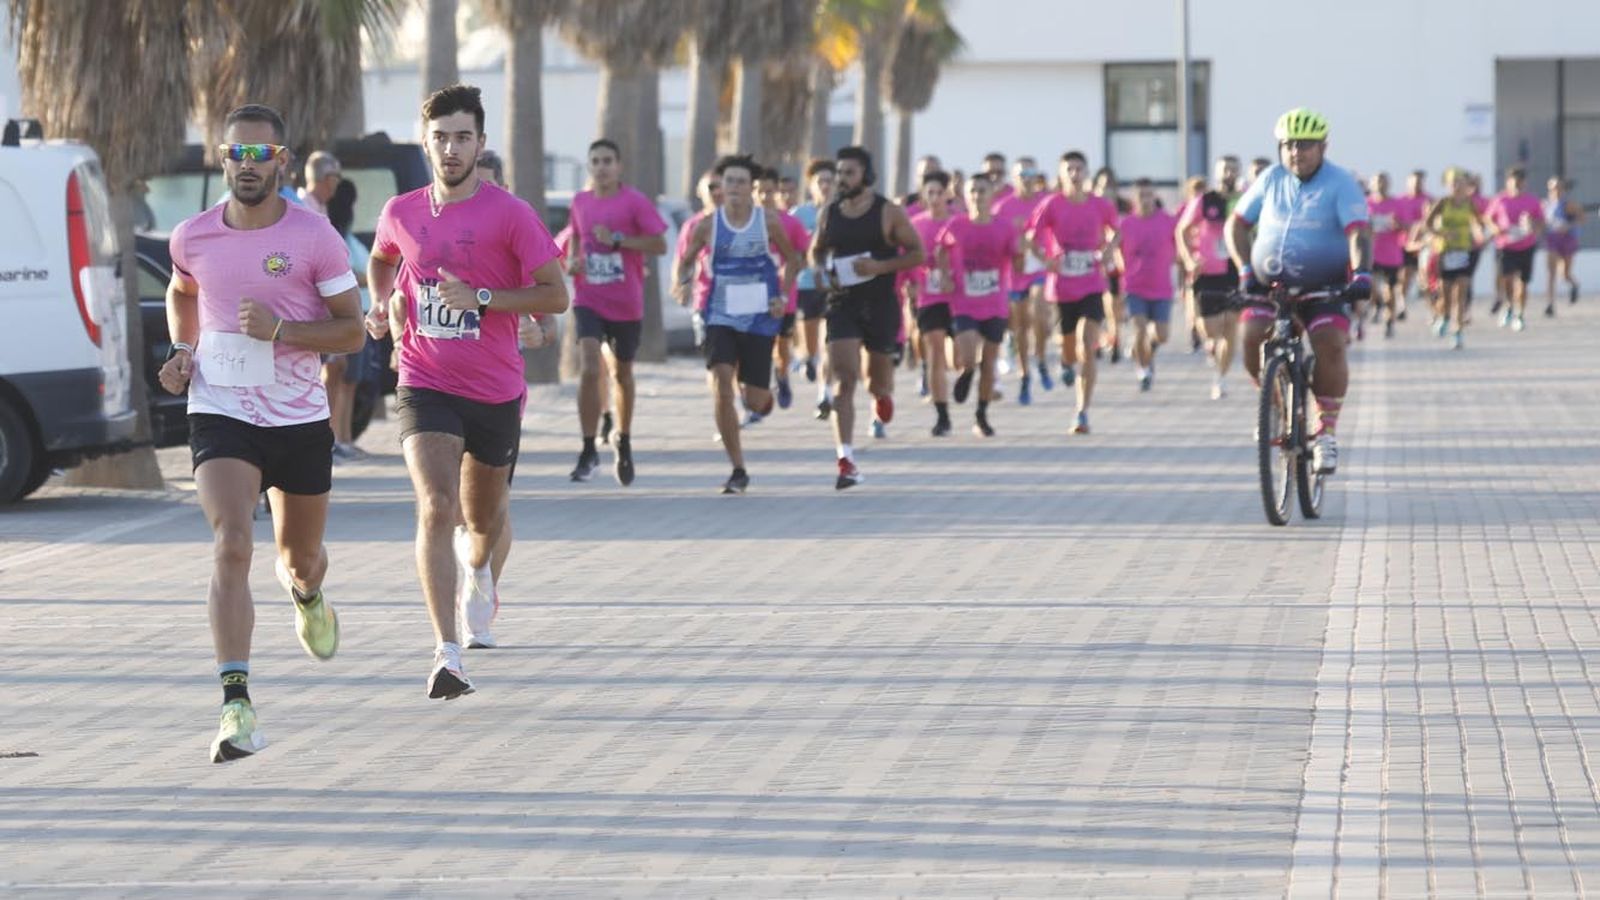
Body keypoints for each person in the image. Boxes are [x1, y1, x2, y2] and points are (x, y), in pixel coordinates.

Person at [158, 104, 364, 762]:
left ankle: (307, 593)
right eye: (235, 154)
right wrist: (182, 348)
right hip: (220, 408)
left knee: (300, 558)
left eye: (260, 155)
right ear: (222, 159)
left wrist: (281, 331)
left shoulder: (315, 238)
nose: (247, 165)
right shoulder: (193, 235)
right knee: (231, 544)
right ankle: (236, 706)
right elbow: (182, 290)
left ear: (281, 160)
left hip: (300, 417)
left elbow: (352, 331)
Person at [366, 84, 568, 697]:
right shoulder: (400, 210)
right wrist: (383, 301)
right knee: (436, 506)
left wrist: (482, 298)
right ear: (425, 144)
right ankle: (447, 652)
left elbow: (555, 295)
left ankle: (480, 572)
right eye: (440, 138)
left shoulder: (510, 214)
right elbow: (381, 258)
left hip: (495, 390)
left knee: (482, 521)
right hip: (424, 379)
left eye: (462, 138)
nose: (450, 149)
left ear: (480, 144)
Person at [1228, 107, 1371, 476]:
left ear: (1322, 147)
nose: (1296, 152)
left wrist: (1362, 275)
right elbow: (1237, 225)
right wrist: (1244, 268)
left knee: (1329, 342)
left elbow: (1358, 232)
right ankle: (1274, 403)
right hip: (1269, 283)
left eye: (1305, 145)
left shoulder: (1340, 182)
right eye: (1289, 145)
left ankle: (1325, 431)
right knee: (1249, 338)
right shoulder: (1271, 178)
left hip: (1324, 283)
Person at [675, 155, 802, 492]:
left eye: (740, 182)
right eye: (728, 181)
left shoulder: (768, 222)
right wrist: (682, 281)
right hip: (719, 314)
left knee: (755, 401)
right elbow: (685, 263)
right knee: (721, 385)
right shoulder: (707, 225)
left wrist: (783, 295)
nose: (733, 188)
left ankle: (766, 392)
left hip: (760, 317)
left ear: (752, 189)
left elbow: (793, 260)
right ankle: (738, 468)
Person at [811, 145, 924, 489]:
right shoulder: (830, 211)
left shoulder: (888, 212)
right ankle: (845, 459)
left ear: (866, 176)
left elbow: (917, 253)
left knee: (877, 381)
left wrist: (880, 266)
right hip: (842, 301)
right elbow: (816, 249)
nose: (842, 180)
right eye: (839, 173)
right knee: (843, 381)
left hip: (879, 303)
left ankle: (883, 395)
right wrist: (820, 269)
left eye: (849, 173)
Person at [565, 139, 670, 484]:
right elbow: (577, 238)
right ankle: (587, 447)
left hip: (626, 303)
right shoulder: (579, 201)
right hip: (588, 297)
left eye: (608, 160)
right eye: (595, 161)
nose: (601, 167)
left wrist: (619, 241)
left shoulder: (634, 202)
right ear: (589, 166)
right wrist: (574, 261)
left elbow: (659, 243)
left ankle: (622, 439)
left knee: (622, 374)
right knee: (590, 365)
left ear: (619, 166)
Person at [1027, 150, 1120, 435]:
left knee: (1086, 344)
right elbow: (1032, 238)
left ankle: (1081, 412)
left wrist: (1108, 251)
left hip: (1092, 283)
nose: (1075, 174)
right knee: (1068, 347)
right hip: (1063, 287)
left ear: (1086, 172)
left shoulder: (1100, 205)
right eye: (1069, 169)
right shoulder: (1051, 204)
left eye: (1079, 168)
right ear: (1061, 174)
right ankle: (1066, 363)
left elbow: (1116, 232)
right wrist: (1046, 260)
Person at [942, 174, 1020, 435]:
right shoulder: (956, 224)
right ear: (965, 195)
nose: (977, 195)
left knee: (989, 362)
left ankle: (981, 414)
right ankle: (966, 373)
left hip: (995, 302)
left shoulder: (1004, 226)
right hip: (964, 302)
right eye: (973, 190)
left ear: (992, 195)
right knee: (967, 355)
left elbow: (1015, 255)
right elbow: (941, 248)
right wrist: (945, 276)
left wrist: (1019, 260)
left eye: (982, 190)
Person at [905, 171, 960, 436]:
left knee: (960, 355)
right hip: (929, 295)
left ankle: (966, 374)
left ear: (948, 195)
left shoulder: (960, 223)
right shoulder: (915, 224)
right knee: (935, 352)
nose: (936, 198)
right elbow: (905, 256)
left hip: (960, 297)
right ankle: (942, 415)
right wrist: (909, 281)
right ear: (923, 196)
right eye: (930, 193)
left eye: (940, 193)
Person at [992, 157, 1049, 405]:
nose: (1026, 178)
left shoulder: (1045, 202)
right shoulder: (1003, 207)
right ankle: (1025, 374)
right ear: (1013, 178)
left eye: (1030, 172)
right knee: (1020, 327)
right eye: (1021, 174)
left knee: (1039, 311)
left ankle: (1042, 358)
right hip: (1014, 273)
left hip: (1038, 266)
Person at [755, 167, 811, 415]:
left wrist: (792, 270)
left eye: (770, 191)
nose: (765, 196)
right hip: (753, 298)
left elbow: (804, 255)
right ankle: (759, 389)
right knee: (758, 345)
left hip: (784, 296)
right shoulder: (744, 221)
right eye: (760, 191)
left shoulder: (790, 222)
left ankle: (782, 375)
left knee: (782, 345)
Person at [1178, 177, 1240, 399]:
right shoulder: (1205, 201)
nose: (1229, 173)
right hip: (1208, 271)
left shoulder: (1244, 199)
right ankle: (1211, 344)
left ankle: (1221, 378)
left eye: (1233, 168)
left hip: (1235, 271)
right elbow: (1182, 230)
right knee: (1210, 329)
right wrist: (1188, 260)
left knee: (1231, 326)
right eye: (1225, 168)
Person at [324, 178, 372, 458]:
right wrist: (367, 279)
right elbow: (342, 274)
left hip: (360, 315)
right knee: (337, 379)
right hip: (344, 316)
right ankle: (335, 438)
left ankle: (344, 437)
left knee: (351, 381)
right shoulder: (335, 235)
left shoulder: (349, 236)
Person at [1117, 178, 1176, 392]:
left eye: (1149, 194)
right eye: (1141, 195)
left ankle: (1148, 349)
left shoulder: (1168, 221)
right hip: (1135, 287)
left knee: (1162, 335)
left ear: (1155, 196)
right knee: (1139, 330)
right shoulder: (1126, 223)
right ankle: (1143, 370)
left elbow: (1180, 244)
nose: (1146, 199)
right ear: (1134, 198)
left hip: (1161, 288)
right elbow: (1113, 246)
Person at [790, 159, 836, 412]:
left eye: (830, 181)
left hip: (833, 285)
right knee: (810, 345)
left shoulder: (842, 213)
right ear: (811, 186)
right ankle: (807, 359)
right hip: (806, 284)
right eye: (821, 181)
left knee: (828, 341)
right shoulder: (800, 215)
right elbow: (790, 248)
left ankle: (824, 393)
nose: (826, 186)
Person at [1423, 168, 1486, 350]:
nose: (1458, 187)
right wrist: (1441, 233)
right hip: (1445, 252)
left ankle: (1458, 332)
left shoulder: (1470, 203)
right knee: (1446, 294)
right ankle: (1444, 317)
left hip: (1464, 251)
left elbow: (1477, 222)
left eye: (1461, 184)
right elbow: (1427, 224)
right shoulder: (1443, 202)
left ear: (1467, 186)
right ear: (1449, 186)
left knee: (1461, 293)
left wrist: (1480, 235)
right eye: (1454, 184)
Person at [1485, 166, 1545, 331]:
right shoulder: (1500, 200)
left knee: (1523, 283)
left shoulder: (1532, 201)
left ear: (1524, 183)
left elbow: (1540, 221)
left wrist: (1534, 227)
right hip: (1505, 246)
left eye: (1520, 182)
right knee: (1507, 279)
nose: (1517, 185)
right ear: (1508, 182)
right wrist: (1495, 229)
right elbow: (1488, 218)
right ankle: (1509, 305)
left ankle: (1520, 314)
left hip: (1526, 245)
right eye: (1514, 182)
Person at [1092, 166, 1131, 365]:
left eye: (1110, 186)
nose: (1106, 190)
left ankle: (1115, 341)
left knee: (1114, 306)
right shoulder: (1090, 205)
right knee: (1097, 305)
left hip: (1118, 262)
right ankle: (1098, 341)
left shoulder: (1125, 207)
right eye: (1102, 186)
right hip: (1095, 262)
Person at [1366, 172, 1405, 338]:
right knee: (1371, 287)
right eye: (1377, 182)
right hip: (1371, 253)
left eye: (1384, 182)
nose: (1381, 185)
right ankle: (1376, 303)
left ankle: (1390, 322)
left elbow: (1406, 225)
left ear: (1389, 184)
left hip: (1391, 255)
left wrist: (1398, 225)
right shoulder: (1365, 203)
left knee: (1390, 291)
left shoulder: (1396, 203)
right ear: (1372, 185)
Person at [1544, 176, 1585, 312]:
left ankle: (1574, 285)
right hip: (1552, 239)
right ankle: (1550, 304)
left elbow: (1581, 219)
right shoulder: (1545, 204)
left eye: (1558, 188)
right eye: (1552, 188)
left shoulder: (1569, 204)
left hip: (1567, 239)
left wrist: (1568, 225)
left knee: (1564, 274)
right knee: (1551, 272)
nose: (1555, 191)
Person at [297, 151, 341, 216]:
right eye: (336, 177)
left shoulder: (320, 207)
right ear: (327, 179)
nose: (337, 182)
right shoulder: (301, 208)